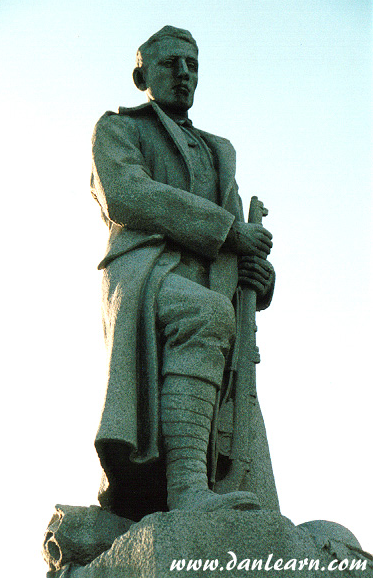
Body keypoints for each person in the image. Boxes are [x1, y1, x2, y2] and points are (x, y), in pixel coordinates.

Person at [91, 26, 278, 522]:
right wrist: (229, 233)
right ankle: (188, 491)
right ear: (141, 75)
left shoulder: (219, 151)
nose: (183, 74)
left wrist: (259, 275)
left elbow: (238, 235)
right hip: (146, 273)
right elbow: (128, 195)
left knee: (225, 356)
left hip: (214, 285)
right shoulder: (119, 129)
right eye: (171, 63)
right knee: (206, 314)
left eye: (192, 65)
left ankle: (216, 488)